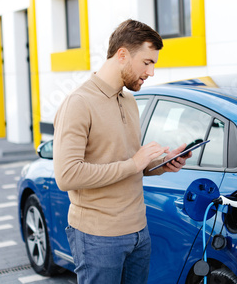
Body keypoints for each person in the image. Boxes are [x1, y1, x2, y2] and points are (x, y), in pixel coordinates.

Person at [53, 19, 189, 284]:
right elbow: (66, 175)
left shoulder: (128, 100)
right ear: (123, 55)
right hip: (97, 238)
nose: (151, 72)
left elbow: (128, 160)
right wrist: (135, 163)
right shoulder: (78, 104)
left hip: (139, 232)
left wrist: (162, 163)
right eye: (147, 62)